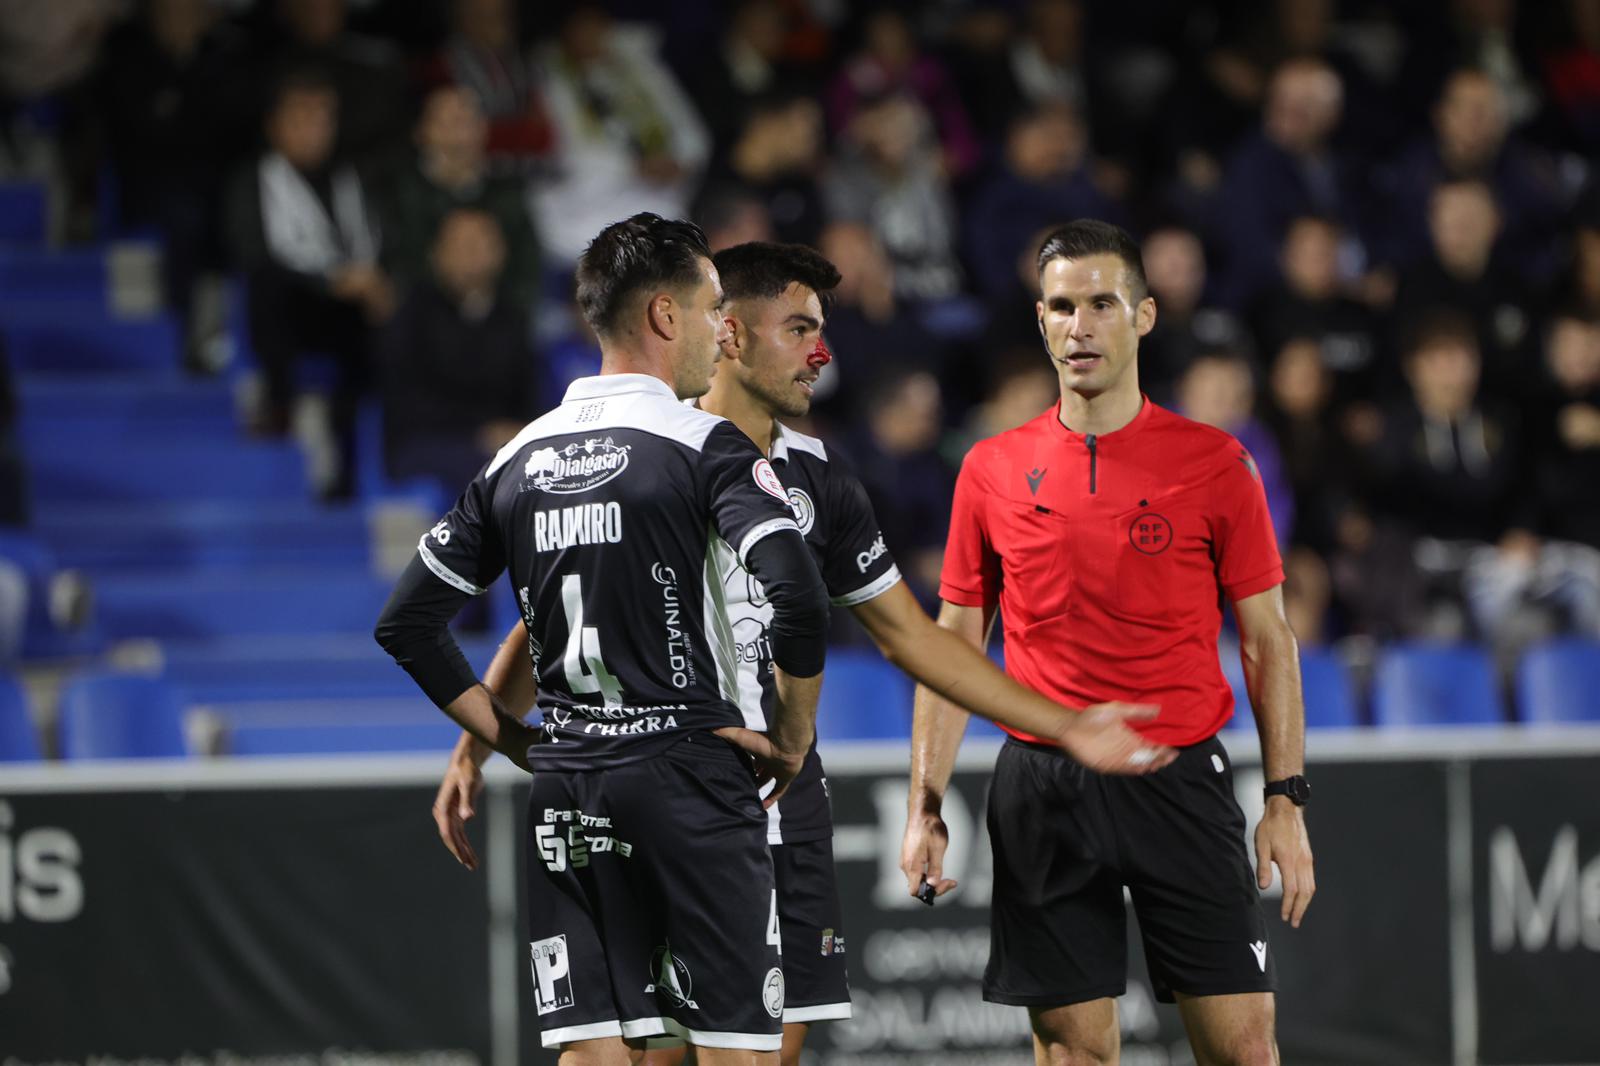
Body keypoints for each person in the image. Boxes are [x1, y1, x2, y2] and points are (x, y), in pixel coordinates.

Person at [430, 240, 1175, 1066]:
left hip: (787, 808)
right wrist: (479, 740)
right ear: (728, 335)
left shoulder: (822, 477)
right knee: (659, 1054)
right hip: (685, 790)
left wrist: (1062, 724)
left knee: (770, 1053)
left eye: (823, 329)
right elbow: (557, 616)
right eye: (799, 329)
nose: (824, 353)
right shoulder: (654, 455)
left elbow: (913, 637)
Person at [376, 213, 833, 1061]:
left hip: (569, 787)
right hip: (693, 778)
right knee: (738, 1051)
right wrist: (794, 737)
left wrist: (512, 743)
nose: (718, 332)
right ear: (665, 316)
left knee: (591, 1052)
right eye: (709, 310)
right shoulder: (704, 445)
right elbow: (798, 596)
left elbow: (407, 623)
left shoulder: (518, 455)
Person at [900, 219, 1316, 1066]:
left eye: (1100, 304)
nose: (1078, 326)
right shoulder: (989, 469)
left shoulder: (1216, 463)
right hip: (1042, 788)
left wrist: (1285, 798)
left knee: (1244, 1050)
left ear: (1146, 315)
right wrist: (926, 804)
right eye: (1059, 307)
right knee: (1072, 1053)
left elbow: (1269, 641)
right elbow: (952, 646)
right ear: (1040, 321)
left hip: (1179, 778)